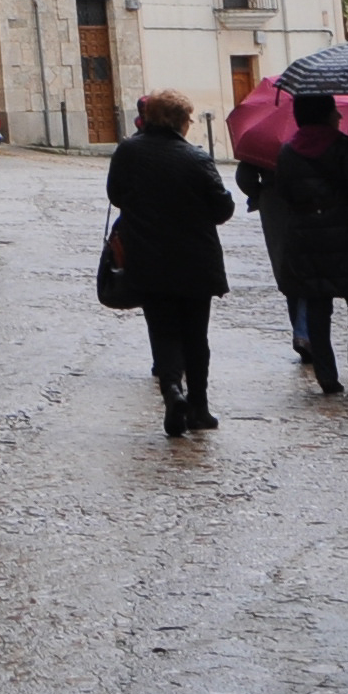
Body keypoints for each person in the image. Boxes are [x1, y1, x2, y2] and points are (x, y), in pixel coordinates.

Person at [106, 91, 236, 437]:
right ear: (180, 121)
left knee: (162, 331)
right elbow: (222, 209)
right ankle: (200, 408)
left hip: (148, 259)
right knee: (196, 335)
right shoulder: (196, 158)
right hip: (196, 262)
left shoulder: (128, 151)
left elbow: (116, 195)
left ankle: (172, 392)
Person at [271, 90, 348, 393]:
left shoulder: (287, 151)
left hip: (304, 233)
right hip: (347, 232)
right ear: (326, 114)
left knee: (317, 305)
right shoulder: (343, 147)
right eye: (334, 110)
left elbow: (284, 193)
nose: (340, 116)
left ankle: (326, 374)